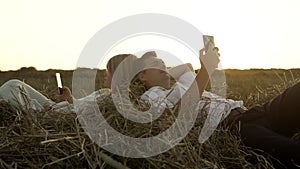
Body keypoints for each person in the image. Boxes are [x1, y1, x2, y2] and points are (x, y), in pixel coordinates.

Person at [131, 50, 300, 168]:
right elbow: (177, 116)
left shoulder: (181, 84)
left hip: (255, 112)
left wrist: (164, 71)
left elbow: (187, 67)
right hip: (237, 128)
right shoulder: (150, 97)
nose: (163, 64)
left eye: (164, 63)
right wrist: (206, 69)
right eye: (156, 64)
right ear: (142, 76)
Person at [0, 54, 137, 113]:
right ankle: (27, 109)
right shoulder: (105, 92)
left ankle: (29, 113)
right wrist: (69, 98)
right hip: (56, 107)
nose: (104, 74)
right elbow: (79, 105)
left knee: (8, 89)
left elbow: (82, 116)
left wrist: (55, 114)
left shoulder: (113, 100)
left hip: (51, 115)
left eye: (108, 71)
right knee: (15, 83)